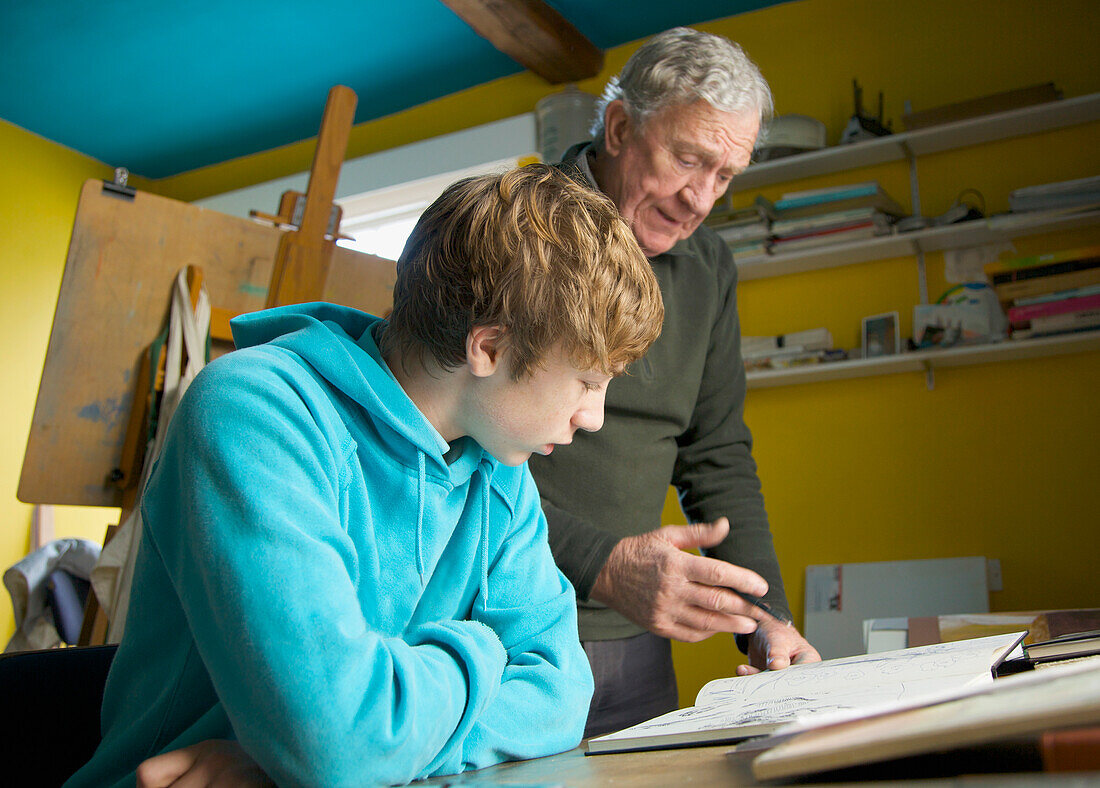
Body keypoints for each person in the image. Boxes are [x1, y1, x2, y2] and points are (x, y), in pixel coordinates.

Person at [65, 164, 664, 787]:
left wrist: (304, 764)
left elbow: (562, 697)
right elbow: (337, 739)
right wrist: (483, 651)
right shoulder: (255, 412)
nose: (591, 417)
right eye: (589, 382)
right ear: (488, 349)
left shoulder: (499, 471)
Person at [529, 27, 821, 739]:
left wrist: (766, 617)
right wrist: (600, 563)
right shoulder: (512, 227)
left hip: (635, 640)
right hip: (500, 624)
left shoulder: (709, 266)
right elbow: (442, 448)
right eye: (688, 159)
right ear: (622, 127)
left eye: (725, 175)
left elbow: (715, 453)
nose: (701, 199)